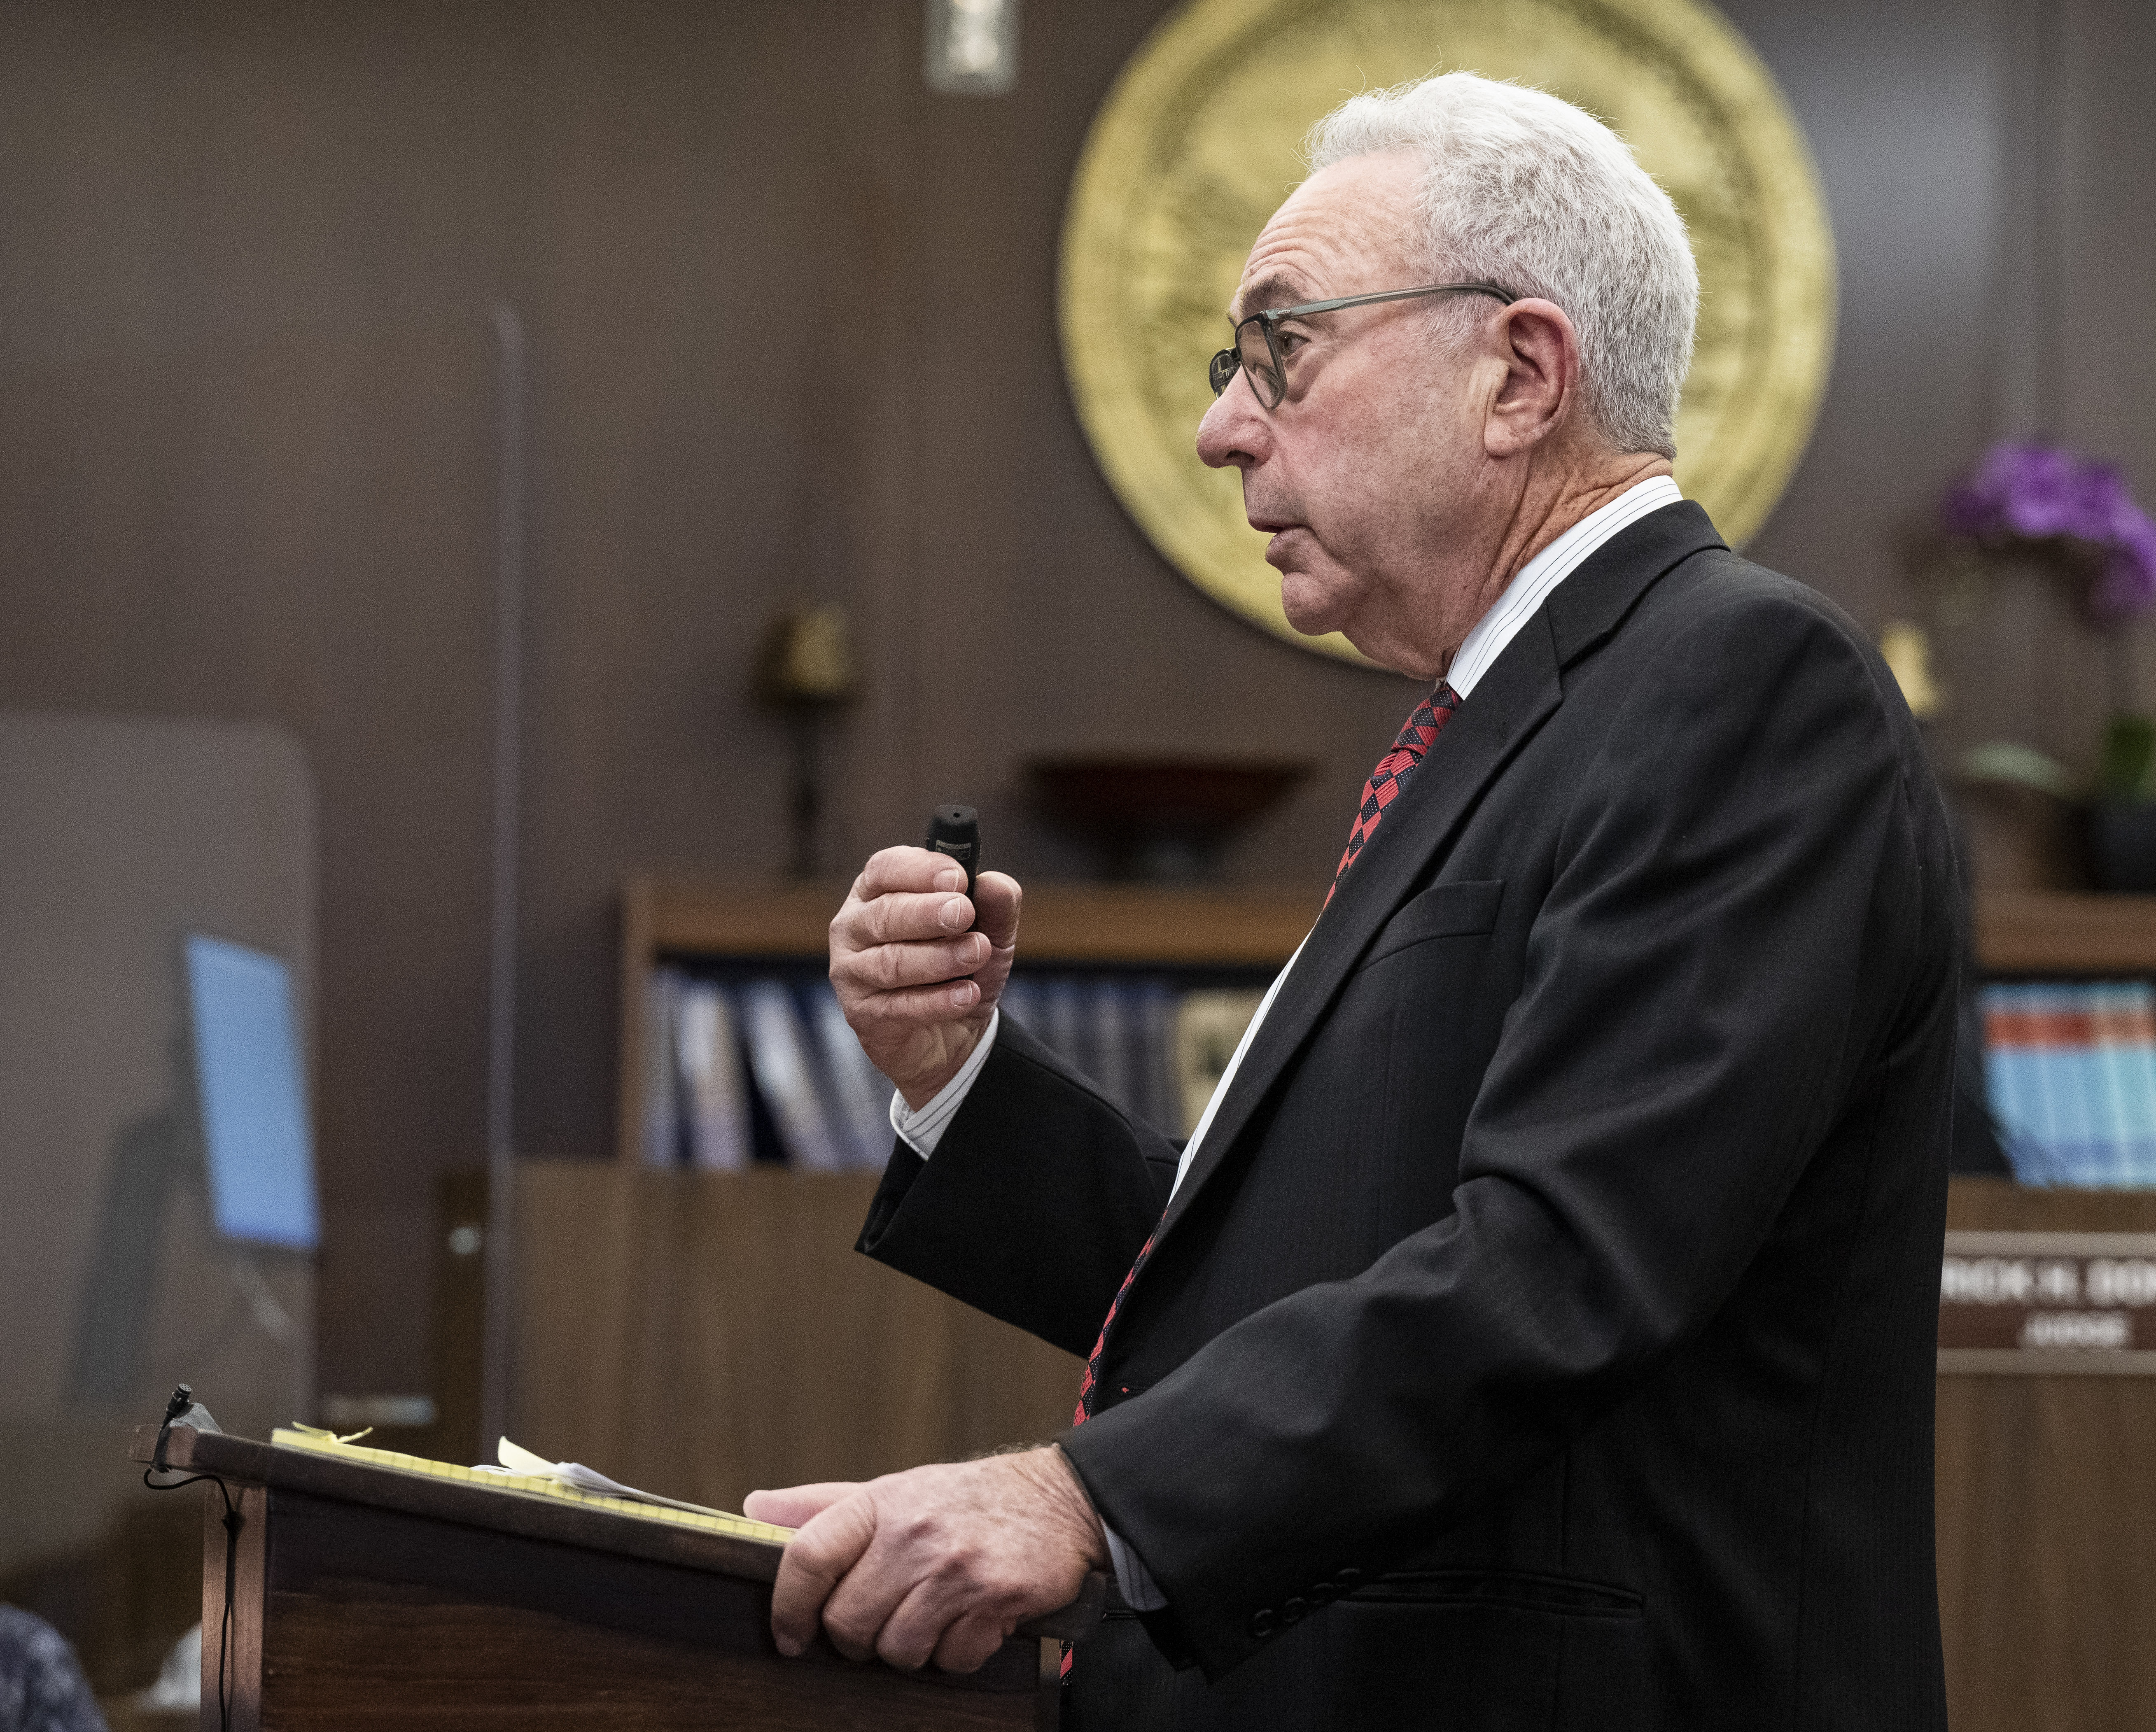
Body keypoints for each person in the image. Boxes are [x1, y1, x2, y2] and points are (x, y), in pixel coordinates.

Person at [744, 72, 1957, 1730]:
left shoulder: (1741, 682)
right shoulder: (1500, 716)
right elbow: (1284, 1274)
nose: (1222, 424)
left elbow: (1562, 1264)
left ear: (1520, 374)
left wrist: (1081, 1498)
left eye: (1283, 349)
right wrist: (957, 1080)